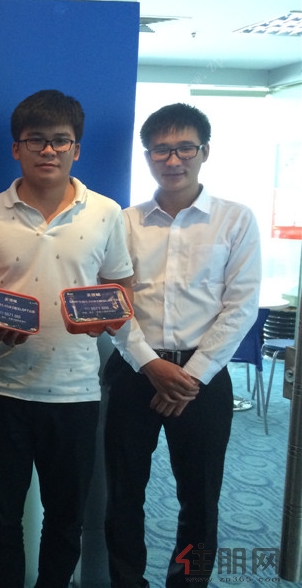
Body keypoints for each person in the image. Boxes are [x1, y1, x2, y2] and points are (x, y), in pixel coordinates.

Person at [0, 89, 134, 588]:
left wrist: (104, 319)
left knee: (66, 519)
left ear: (77, 148)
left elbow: (121, 289)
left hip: (76, 394)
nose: (49, 150)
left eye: (61, 140)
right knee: (0, 518)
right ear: (17, 148)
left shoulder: (106, 212)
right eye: (36, 140)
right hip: (1, 391)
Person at [104, 103, 261, 587]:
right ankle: (127, 581)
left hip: (203, 380)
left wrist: (190, 376)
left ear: (204, 152)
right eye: (161, 150)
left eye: (185, 149)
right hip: (135, 372)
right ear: (147, 156)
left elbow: (241, 305)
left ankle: (188, 583)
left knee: (200, 498)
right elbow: (112, 303)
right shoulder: (125, 222)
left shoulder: (234, 220)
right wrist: (151, 365)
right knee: (123, 492)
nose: (173, 160)